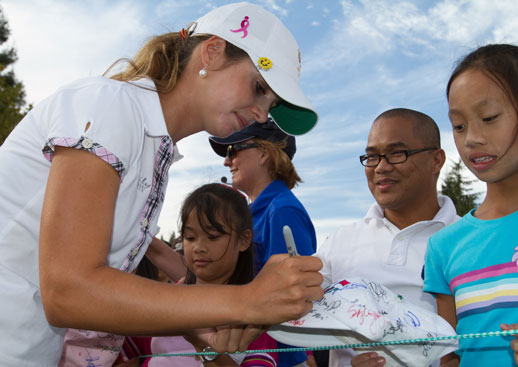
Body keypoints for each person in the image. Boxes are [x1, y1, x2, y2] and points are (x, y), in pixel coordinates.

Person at [0, 3, 324, 366]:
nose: (263, 114)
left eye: (271, 102)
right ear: (213, 52)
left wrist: (200, 326)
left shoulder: (153, 149)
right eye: (259, 87)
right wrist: (247, 299)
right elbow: (67, 291)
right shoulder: (111, 104)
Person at [423, 44, 518, 366]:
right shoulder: (444, 246)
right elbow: (448, 358)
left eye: (489, 117)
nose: (471, 139)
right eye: (459, 125)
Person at [314, 108, 460, 367]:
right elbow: (294, 314)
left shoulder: (467, 241)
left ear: (436, 160)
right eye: (371, 156)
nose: (380, 167)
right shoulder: (339, 242)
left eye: (396, 153)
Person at [209, 119, 317, 367]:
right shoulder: (261, 212)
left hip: (279, 359)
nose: (227, 161)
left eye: (232, 150)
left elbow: (291, 298)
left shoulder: (282, 210)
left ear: (264, 154)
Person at [135, 183, 279, 367]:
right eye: (190, 237)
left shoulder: (254, 317)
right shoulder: (169, 297)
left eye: (212, 237)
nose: (198, 247)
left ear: (243, 240)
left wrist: (201, 343)